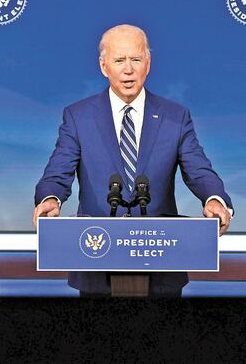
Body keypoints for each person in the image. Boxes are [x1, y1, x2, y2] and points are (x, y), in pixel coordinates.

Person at [33, 24, 233, 295]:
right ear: (104, 66)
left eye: (136, 59)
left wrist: (215, 200)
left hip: (161, 263)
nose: (128, 69)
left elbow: (199, 170)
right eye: (119, 60)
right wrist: (49, 199)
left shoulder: (175, 117)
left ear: (148, 64)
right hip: (95, 260)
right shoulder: (79, 117)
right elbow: (58, 172)